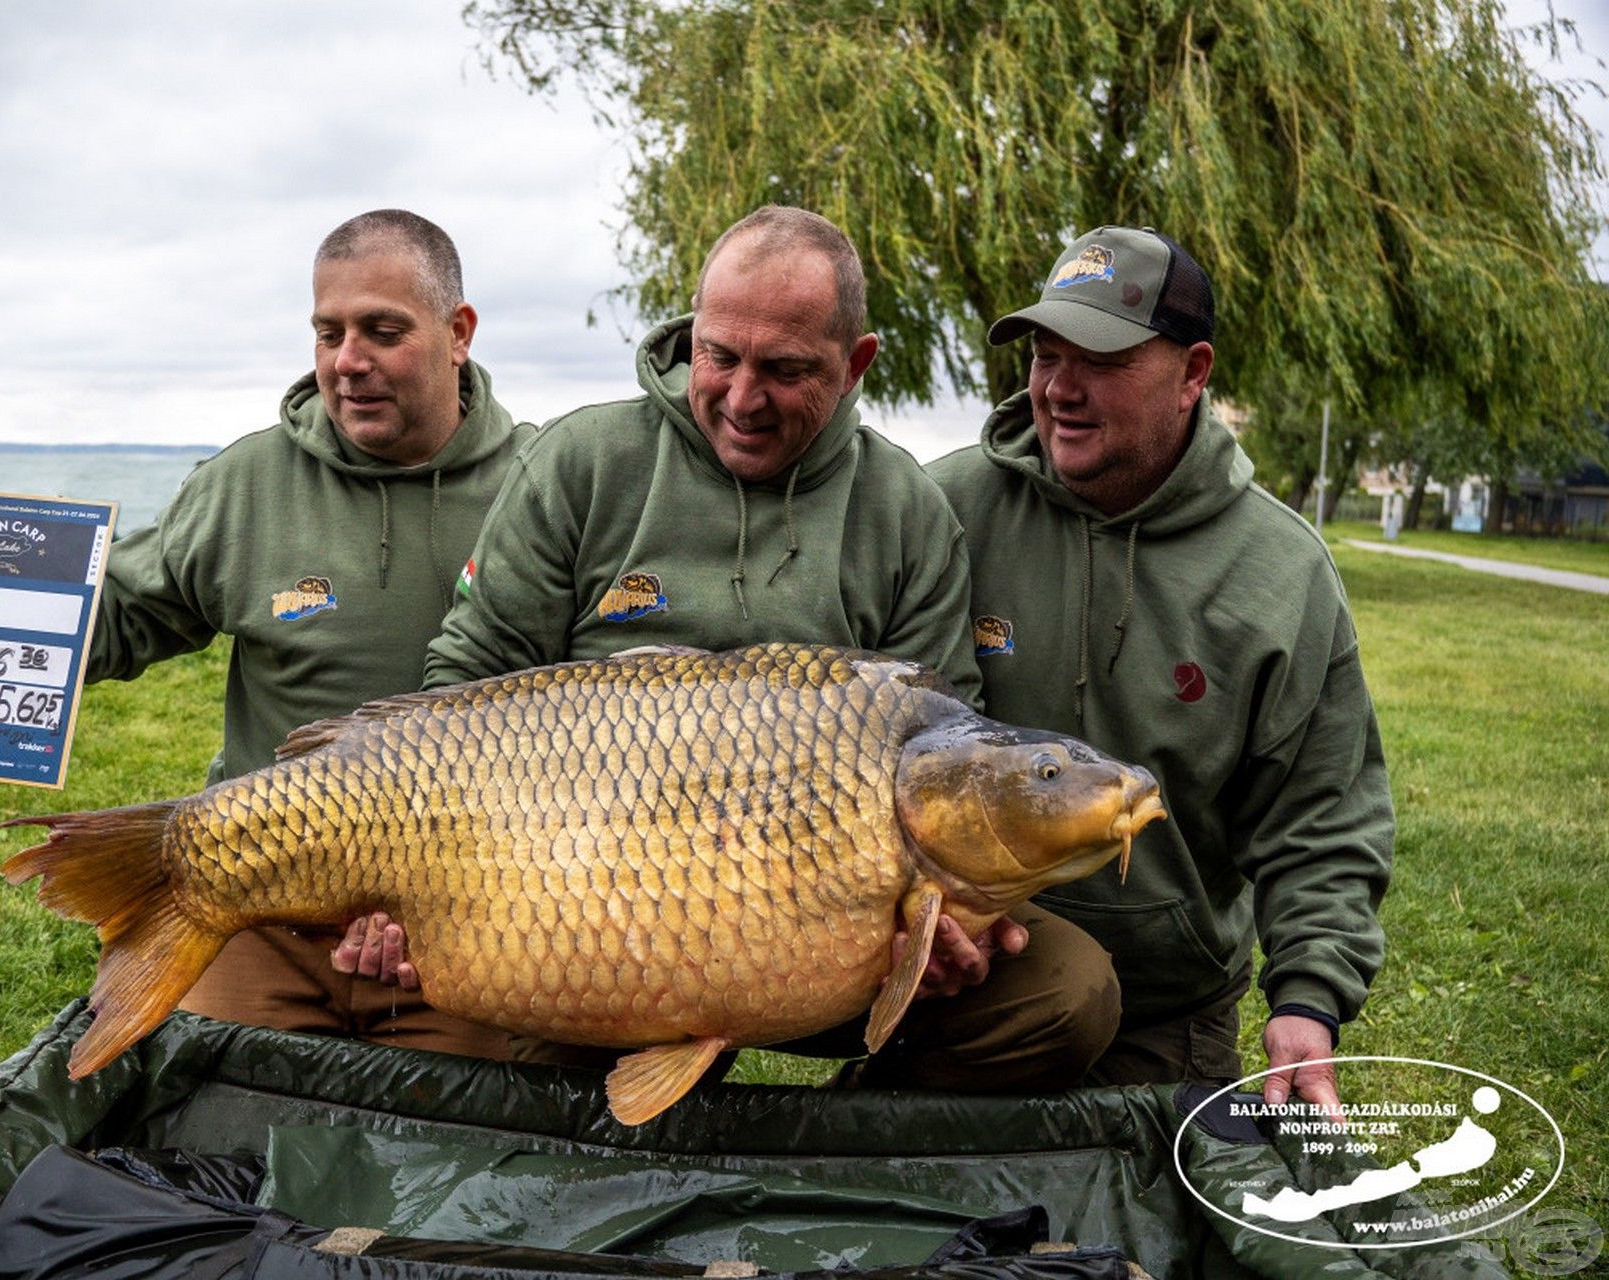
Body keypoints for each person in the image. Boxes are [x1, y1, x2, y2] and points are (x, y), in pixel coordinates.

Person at [359, 205, 1124, 1093]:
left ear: (854, 367)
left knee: (1065, 990)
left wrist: (949, 932)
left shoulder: (905, 513)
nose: (742, 396)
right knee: (541, 1042)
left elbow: (947, 736)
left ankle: (849, 1146)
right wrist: (403, 884)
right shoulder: (584, 463)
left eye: (786, 369)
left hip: (834, 932)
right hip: (590, 907)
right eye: (720, 356)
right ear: (693, 333)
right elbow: (465, 682)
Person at [0, 209, 533, 1059]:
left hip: (481, 910)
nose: (349, 361)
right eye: (327, 332)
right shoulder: (245, 484)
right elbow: (114, 619)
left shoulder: (546, 484)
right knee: (182, 1110)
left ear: (459, 334)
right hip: (259, 901)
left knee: (511, 1147)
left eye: (384, 330)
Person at [924, 225, 1394, 1111]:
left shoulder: (1281, 574)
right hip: (969, 978)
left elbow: (1321, 818)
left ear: (1193, 374)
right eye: (1045, 354)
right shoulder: (944, 510)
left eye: (1100, 359)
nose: (1060, 388)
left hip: (1162, 1011)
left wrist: (1308, 1002)